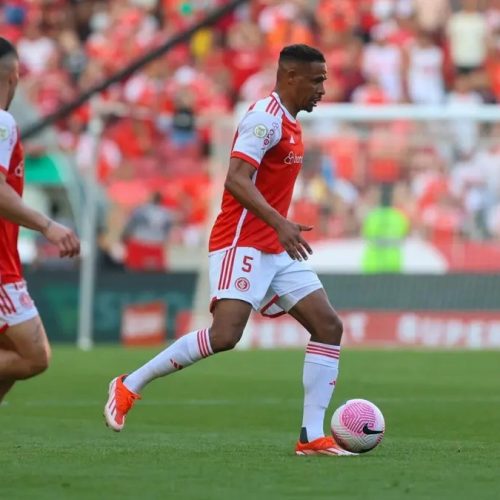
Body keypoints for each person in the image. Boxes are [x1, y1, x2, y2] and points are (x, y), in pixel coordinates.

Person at [104, 44, 356, 456]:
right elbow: (236, 179)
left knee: (328, 327)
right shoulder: (264, 119)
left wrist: (279, 229)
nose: (323, 89)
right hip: (241, 242)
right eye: (317, 80)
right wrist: (280, 222)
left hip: (274, 246)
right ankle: (129, 384)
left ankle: (311, 437)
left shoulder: (291, 122)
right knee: (225, 336)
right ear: (290, 77)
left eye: (324, 80)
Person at [0, 37, 80, 403]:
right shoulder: (2, 122)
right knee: (34, 357)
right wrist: (48, 225)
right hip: (2, 266)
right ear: (13, 77)